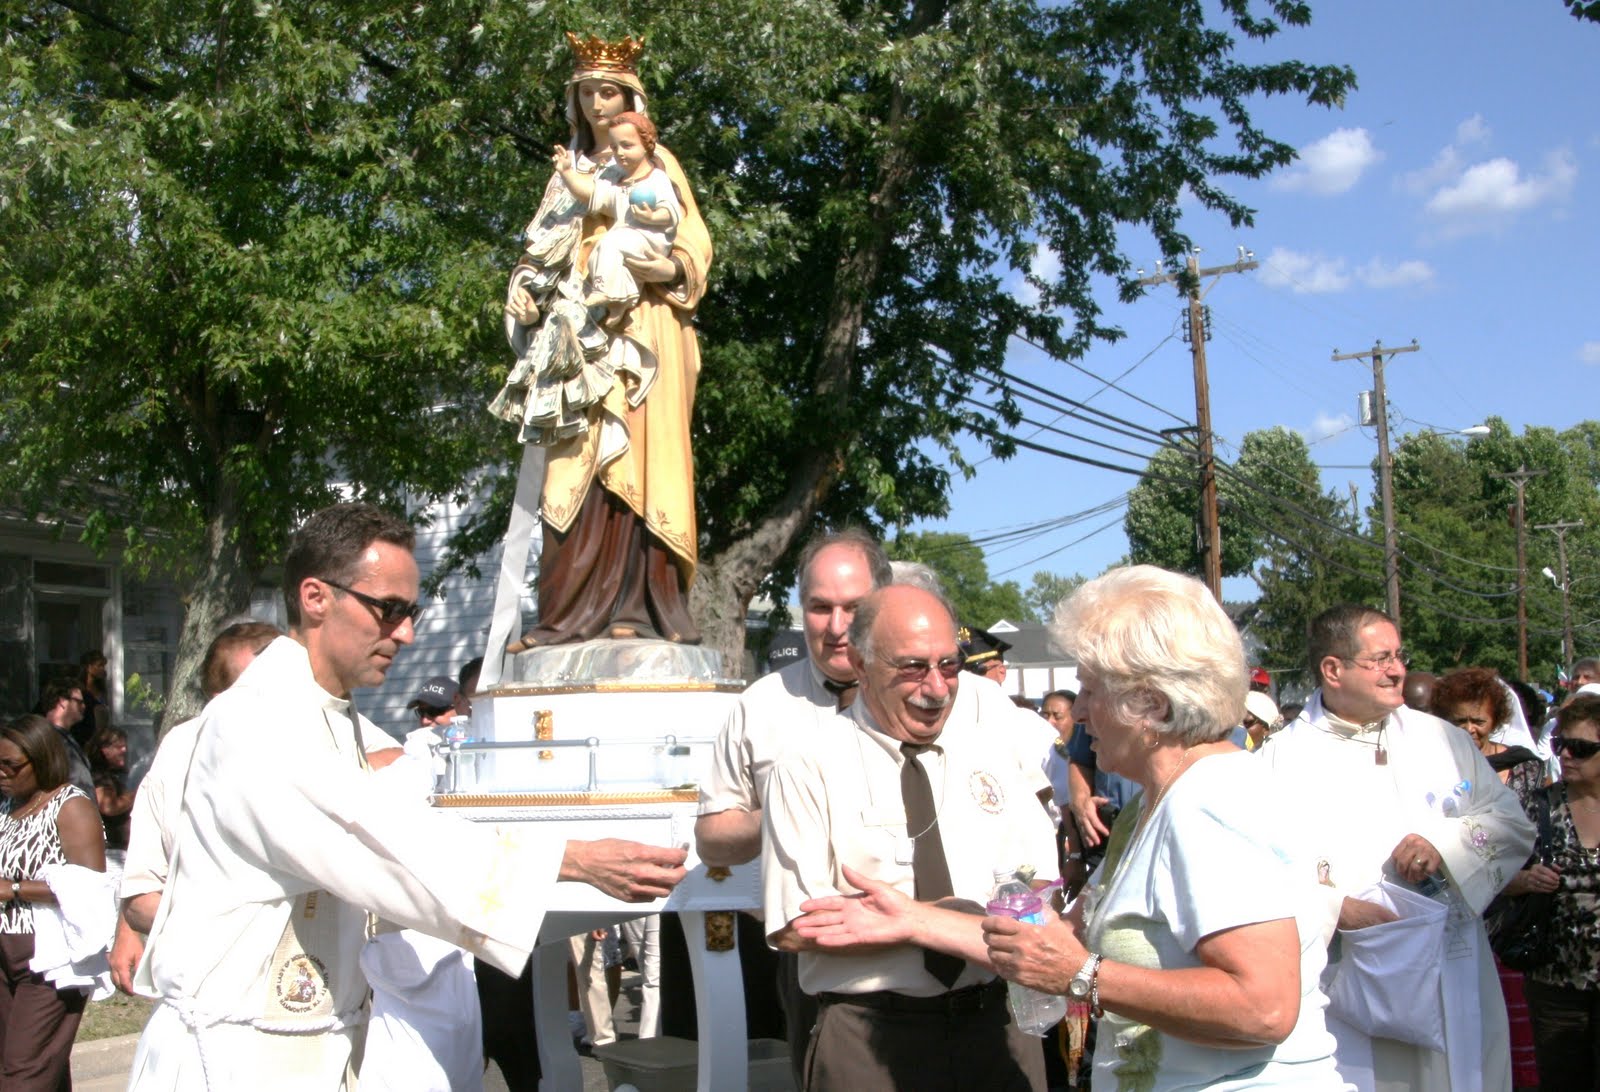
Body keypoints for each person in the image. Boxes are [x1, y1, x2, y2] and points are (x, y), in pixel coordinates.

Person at [126, 502, 686, 1088]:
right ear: (315, 597)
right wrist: (573, 859)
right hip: (234, 1055)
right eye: (388, 610)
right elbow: (373, 836)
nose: (407, 633)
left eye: (411, 611)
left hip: (309, 1045)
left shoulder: (330, 715)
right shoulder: (259, 719)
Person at [973, 567, 1344, 1089]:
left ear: (1152, 705)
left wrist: (1084, 975)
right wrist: (911, 920)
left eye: (1089, 689)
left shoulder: (1212, 802)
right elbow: (1063, 942)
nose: (1078, 711)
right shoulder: (1156, 802)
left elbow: (1264, 1008)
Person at [762, 584, 1057, 1091]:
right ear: (860, 662)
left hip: (996, 1031)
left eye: (949, 665)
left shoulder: (995, 756)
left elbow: (1039, 891)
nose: (938, 688)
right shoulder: (807, 767)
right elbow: (796, 924)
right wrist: (975, 915)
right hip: (869, 1038)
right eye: (913, 667)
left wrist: (906, 920)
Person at [1259, 604, 1536, 1092]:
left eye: (1399, 656)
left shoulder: (1442, 740)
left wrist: (1444, 844)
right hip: (1349, 974)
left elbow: (1512, 824)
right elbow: (1256, 867)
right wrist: (1336, 908)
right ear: (1333, 670)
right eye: (1381, 658)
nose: (1398, 670)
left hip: (1451, 965)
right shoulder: (1279, 760)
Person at [494, 32, 712, 649]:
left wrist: (671, 270)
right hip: (575, 341)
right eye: (586, 92)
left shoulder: (655, 161)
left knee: (641, 459)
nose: (597, 104)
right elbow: (540, 246)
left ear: (631, 97)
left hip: (644, 328)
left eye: (609, 91)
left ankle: (642, 609)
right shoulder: (569, 173)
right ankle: (565, 615)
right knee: (573, 472)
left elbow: (693, 241)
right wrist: (525, 287)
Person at [697, 528, 894, 1081]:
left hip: (922, 949)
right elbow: (711, 838)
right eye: (819, 607)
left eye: (853, 608)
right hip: (809, 956)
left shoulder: (927, 694)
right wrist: (788, 809)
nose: (836, 627)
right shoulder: (760, 705)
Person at [109, 621, 282, 996]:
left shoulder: (332, 743)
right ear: (217, 699)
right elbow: (142, 886)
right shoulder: (179, 749)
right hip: (201, 986)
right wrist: (128, 928)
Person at [1429, 666, 1547, 1089]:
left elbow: (1532, 831)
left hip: (1516, 915)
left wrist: (1517, 878)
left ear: (1495, 718)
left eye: (1477, 719)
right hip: (1457, 909)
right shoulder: (1434, 767)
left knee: (1516, 1027)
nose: (1470, 729)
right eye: (1459, 720)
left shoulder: (1525, 769)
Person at [0, 714, 108, 1089]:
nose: (2, 773)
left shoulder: (70, 806)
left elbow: (91, 888)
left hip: (47, 958)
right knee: (34, 1068)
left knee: (23, 1072)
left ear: (41, 758)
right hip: (4, 953)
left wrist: (14, 888)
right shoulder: (7, 808)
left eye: (10, 765)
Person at [1505, 692, 1600, 1088]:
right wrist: (1526, 881)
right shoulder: (1537, 805)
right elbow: (1494, 878)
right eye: (1561, 746)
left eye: (1580, 748)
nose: (1567, 756)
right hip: (1555, 983)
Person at [552, 110, 681, 327]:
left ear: (647, 144)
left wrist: (652, 216)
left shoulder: (656, 178)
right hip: (627, 240)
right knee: (596, 256)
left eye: (627, 146)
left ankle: (605, 290)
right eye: (614, 147)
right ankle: (619, 303)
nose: (619, 153)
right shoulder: (619, 185)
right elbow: (592, 194)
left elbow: (671, 212)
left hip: (651, 240)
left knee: (611, 244)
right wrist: (567, 173)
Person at [37, 678, 95, 797]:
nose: (84, 706)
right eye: (79, 702)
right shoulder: (44, 738)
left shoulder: (66, 737)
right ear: (62, 701)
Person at [86, 723, 136, 856]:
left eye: (125, 746)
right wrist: (138, 794)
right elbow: (109, 807)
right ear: (104, 750)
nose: (124, 750)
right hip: (112, 848)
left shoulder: (113, 774)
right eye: (119, 747)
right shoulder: (99, 776)